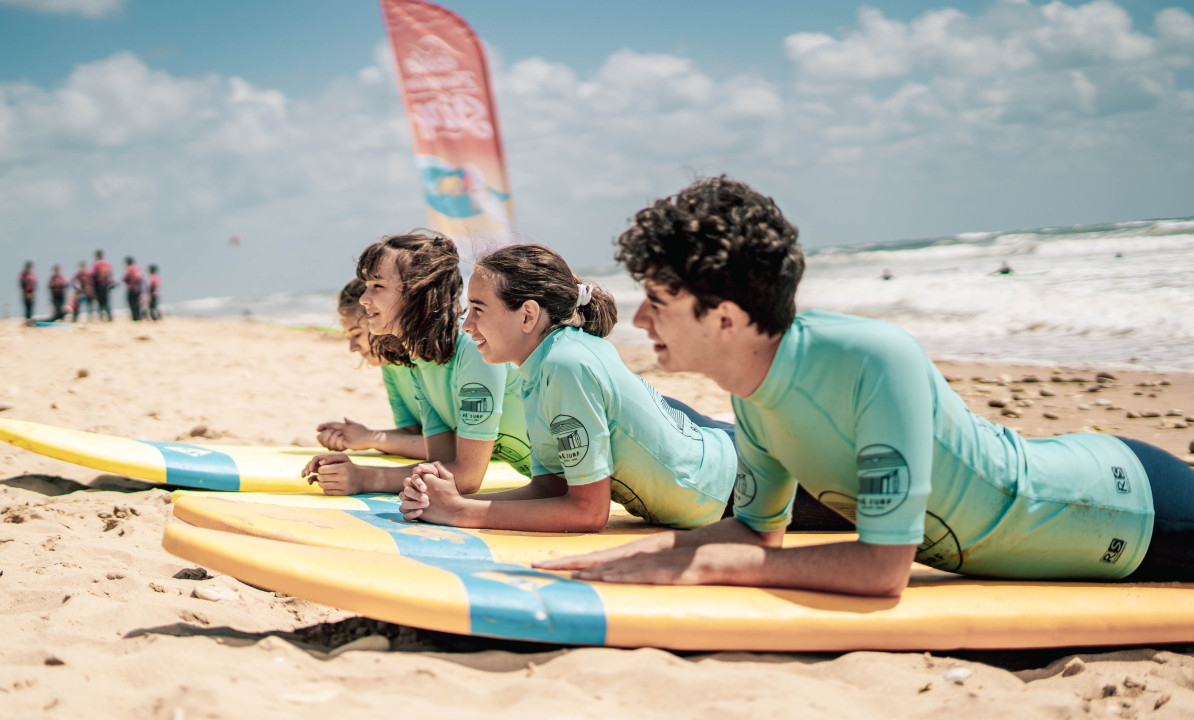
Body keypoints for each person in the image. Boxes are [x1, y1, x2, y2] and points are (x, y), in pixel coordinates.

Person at [537, 176, 1194, 595]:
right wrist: (636, 555)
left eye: (658, 300)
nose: (641, 319)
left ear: (727, 318)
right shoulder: (753, 388)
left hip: (1129, 510)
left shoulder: (874, 359)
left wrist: (709, 567)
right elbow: (754, 535)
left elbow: (884, 571)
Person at [397, 244, 739, 533]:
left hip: (743, 484)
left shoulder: (565, 364)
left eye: (479, 310)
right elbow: (551, 487)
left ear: (528, 315)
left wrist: (458, 512)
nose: (467, 325)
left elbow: (589, 513)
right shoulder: (539, 365)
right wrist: (450, 501)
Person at [302, 231, 532, 495]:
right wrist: (350, 471)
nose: (365, 298)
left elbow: (467, 477)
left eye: (377, 286)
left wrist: (364, 478)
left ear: (417, 292)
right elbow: (442, 466)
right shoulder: (420, 358)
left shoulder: (472, 349)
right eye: (366, 286)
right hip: (554, 483)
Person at [315, 279, 427, 460]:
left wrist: (370, 439)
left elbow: (451, 447)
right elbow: (414, 432)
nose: (352, 347)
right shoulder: (391, 367)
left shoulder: (429, 362)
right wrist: (360, 437)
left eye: (357, 334)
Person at [92, 250, 113, 321]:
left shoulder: (96, 264)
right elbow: (110, 274)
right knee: (107, 302)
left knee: (100, 302)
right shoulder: (107, 264)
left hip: (99, 284)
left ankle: (101, 317)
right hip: (107, 284)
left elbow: (94, 274)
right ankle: (110, 317)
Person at [123, 257, 144, 321]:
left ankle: (135, 317)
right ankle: (139, 316)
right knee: (137, 303)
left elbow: (126, 278)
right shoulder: (137, 269)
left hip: (131, 288)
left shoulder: (129, 269)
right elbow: (141, 279)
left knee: (132, 303)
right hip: (138, 289)